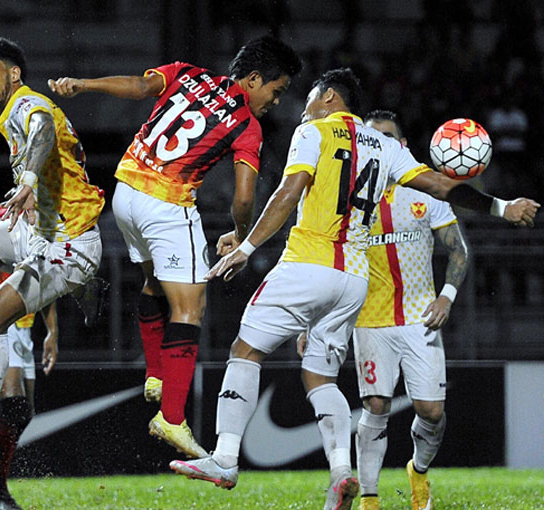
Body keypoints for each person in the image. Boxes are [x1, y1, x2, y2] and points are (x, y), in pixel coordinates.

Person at [169, 68, 539, 510]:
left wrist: (247, 246)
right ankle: (343, 472)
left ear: (327, 96)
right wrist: (502, 206)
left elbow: (290, 190)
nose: (302, 104)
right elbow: (442, 185)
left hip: (309, 262)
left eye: (307, 95)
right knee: (320, 374)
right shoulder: (385, 146)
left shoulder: (314, 131)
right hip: (354, 280)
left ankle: (225, 458)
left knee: (244, 351)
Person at [48, 36, 302, 458]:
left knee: (153, 280)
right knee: (190, 309)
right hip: (167, 204)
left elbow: (137, 85)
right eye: (275, 92)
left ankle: (155, 374)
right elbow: (243, 197)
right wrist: (241, 235)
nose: (274, 102)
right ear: (254, 79)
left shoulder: (188, 73)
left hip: (126, 190)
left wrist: (84, 85)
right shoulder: (246, 125)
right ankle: (171, 417)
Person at [0, 36, 105, 468]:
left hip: (71, 243)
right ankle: (67, 282)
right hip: (39, 231)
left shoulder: (29, 104)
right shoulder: (11, 113)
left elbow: (43, 129)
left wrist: (26, 182)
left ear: (13, 74)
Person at [301, 109, 469, 510]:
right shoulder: (349, 193)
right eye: (371, 138)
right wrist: (310, 320)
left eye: (388, 137)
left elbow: (457, 249)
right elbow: (323, 258)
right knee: (376, 404)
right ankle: (371, 499)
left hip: (419, 317)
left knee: (431, 411)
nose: (379, 144)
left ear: (403, 146)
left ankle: (419, 471)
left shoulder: (427, 189)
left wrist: (446, 295)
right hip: (369, 320)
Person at [0, 212, 58, 510]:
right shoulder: (5, 220)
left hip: (23, 326)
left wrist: (52, 333)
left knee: (23, 413)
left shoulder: (47, 222)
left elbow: (52, 277)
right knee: (13, 404)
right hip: (0, 324)